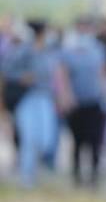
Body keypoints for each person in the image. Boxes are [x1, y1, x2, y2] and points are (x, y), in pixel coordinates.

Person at [2, 20, 66, 187]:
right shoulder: (24, 51)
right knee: (30, 137)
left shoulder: (47, 52)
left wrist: (59, 96)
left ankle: (37, 169)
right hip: (27, 97)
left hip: (45, 97)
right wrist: (22, 77)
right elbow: (7, 70)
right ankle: (27, 177)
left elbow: (54, 76)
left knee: (46, 139)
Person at [60, 16, 106, 186]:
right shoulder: (68, 50)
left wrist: (105, 97)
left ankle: (94, 175)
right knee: (78, 140)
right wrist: (66, 96)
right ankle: (77, 175)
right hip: (76, 102)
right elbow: (63, 74)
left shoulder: (98, 49)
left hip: (94, 100)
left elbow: (103, 74)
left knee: (94, 141)